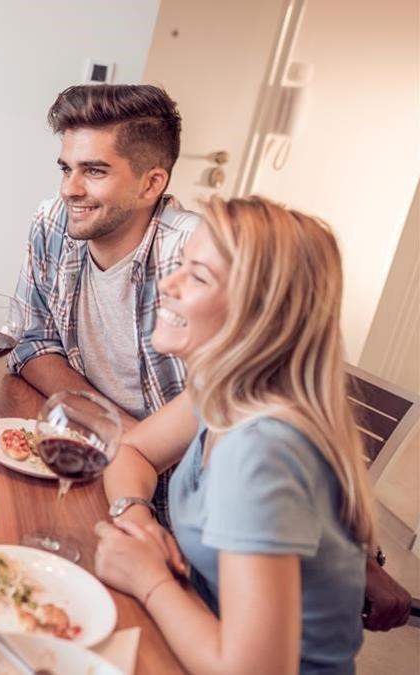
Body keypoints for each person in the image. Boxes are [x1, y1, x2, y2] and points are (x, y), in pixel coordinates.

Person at [94, 196, 377, 673]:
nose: (168, 284)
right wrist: (136, 513)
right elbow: (133, 451)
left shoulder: (262, 450)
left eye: (198, 276)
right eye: (180, 265)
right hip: (196, 629)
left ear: (260, 314)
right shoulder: (224, 389)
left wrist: (149, 580)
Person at [8, 84, 199, 524]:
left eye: (93, 171)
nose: (69, 189)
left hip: (180, 498)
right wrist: (113, 429)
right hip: (100, 454)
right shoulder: (53, 222)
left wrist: (135, 445)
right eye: (66, 169)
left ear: (152, 183)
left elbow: (229, 412)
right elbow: (31, 342)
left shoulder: (195, 256)